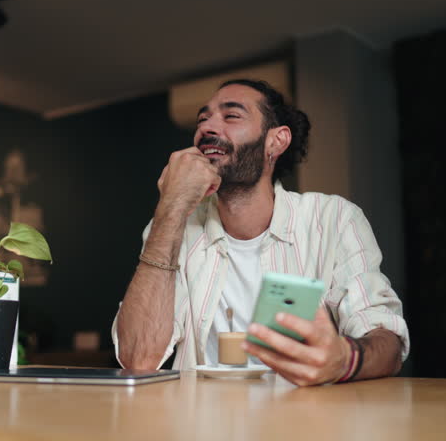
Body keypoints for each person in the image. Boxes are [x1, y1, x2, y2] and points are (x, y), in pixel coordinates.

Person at [112, 79, 409, 386]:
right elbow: (139, 359)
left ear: (276, 141)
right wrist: (170, 210)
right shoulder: (172, 227)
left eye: (231, 116)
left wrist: (345, 360)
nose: (207, 128)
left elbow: (388, 343)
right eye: (203, 119)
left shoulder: (333, 220)